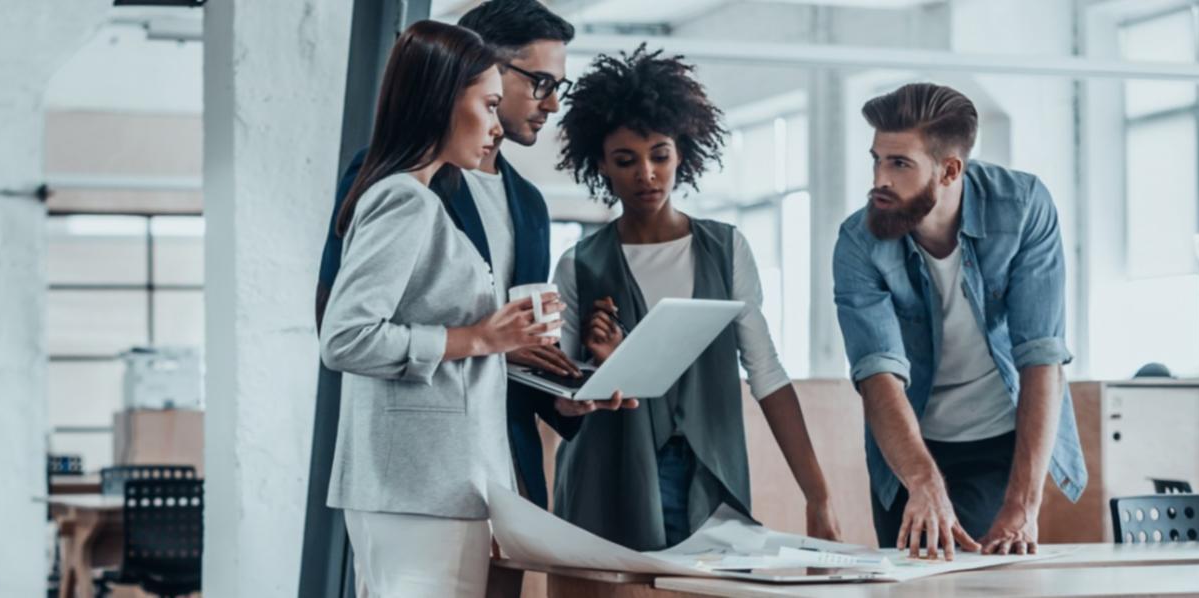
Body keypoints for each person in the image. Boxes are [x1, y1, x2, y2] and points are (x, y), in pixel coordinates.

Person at [316, 0, 622, 515]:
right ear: (482, 69)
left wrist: (566, 392)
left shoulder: (529, 204)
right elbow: (339, 322)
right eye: (541, 83)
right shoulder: (397, 180)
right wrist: (482, 341)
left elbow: (519, 342)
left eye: (558, 87)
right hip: (421, 465)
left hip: (507, 456)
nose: (552, 104)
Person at [546, 46, 842, 551]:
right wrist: (600, 370)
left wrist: (818, 495)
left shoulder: (725, 249)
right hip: (609, 478)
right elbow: (563, 397)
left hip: (710, 473)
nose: (646, 174)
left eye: (659, 155)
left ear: (681, 152)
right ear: (601, 165)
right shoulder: (580, 264)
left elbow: (766, 372)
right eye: (626, 160)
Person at [319, 20, 562, 595]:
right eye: (489, 105)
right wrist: (478, 338)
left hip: (440, 485)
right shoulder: (404, 199)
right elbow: (344, 337)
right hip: (416, 487)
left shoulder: (422, 196)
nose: (497, 126)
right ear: (442, 100)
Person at [833, 82, 1087, 560]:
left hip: (1000, 438)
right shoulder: (859, 241)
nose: (879, 179)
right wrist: (922, 481)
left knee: (977, 577)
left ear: (950, 170)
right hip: (909, 443)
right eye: (876, 159)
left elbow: (1042, 356)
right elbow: (877, 373)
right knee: (906, 579)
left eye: (899, 164)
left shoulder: (1023, 208)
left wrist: (1023, 506)